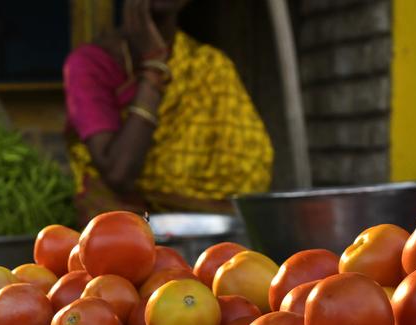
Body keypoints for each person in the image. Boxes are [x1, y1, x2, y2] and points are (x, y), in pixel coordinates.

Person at [63, 0, 273, 226]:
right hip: (119, 233)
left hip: (204, 231)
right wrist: (154, 69)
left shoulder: (210, 65)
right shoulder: (90, 65)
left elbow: (249, 175)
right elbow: (118, 174)